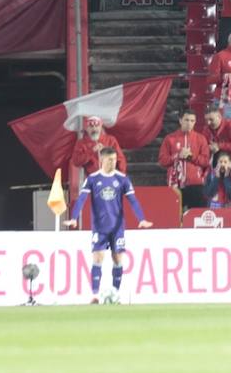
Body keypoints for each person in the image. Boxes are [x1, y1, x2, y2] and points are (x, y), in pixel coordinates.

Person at [65, 147, 152, 303]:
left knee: (118, 259)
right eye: (110, 159)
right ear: (102, 160)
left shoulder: (122, 179)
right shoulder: (92, 179)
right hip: (99, 227)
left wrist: (141, 218)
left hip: (117, 227)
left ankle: (115, 294)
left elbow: (133, 200)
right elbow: (81, 199)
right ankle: (95, 295)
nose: (113, 162)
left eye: (114, 159)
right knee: (97, 258)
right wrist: (74, 217)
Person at [158, 111, 211, 208]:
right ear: (180, 121)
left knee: (196, 217)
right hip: (175, 185)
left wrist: (191, 156)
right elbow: (162, 161)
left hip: (196, 185)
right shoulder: (170, 138)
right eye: (186, 120)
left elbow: (206, 161)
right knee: (174, 218)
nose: (189, 123)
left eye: (192, 121)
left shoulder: (201, 139)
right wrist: (177, 156)